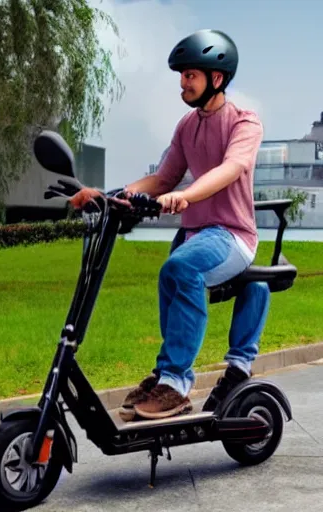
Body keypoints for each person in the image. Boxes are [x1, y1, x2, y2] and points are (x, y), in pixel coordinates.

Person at [69, 29, 269, 421]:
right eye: (181, 75)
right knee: (171, 273)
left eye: (190, 75)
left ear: (216, 78)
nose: (182, 82)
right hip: (195, 234)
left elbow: (232, 168)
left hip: (232, 235)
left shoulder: (245, 123)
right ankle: (166, 373)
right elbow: (163, 178)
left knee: (181, 267)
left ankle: (176, 384)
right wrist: (107, 195)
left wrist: (188, 195)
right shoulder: (186, 126)